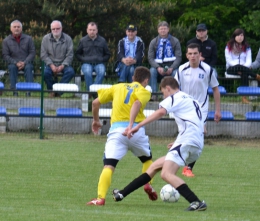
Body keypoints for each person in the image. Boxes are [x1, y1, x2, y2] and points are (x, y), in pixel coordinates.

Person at [112, 76, 207, 211]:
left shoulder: (175, 98)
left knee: (166, 174)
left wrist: (138, 126)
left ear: (167, 88)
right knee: (155, 166)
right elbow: (198, 124)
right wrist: (178, 141)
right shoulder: (192, 100)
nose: (164, 96)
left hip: (187, 140)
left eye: (163, 93)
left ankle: (196, 202)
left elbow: (161, 112)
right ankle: (121, 194)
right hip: (195, 142)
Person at [86, 66, 157, 206]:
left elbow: (95, 103)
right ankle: (147, 183)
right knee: (148, 161)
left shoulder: (117, 87)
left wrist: (96, 120)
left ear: (132, 78)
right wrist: (131, 125)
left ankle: (100, 198)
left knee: (109, 166)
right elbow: (136, 102)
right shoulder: (144, 91)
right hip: (136, 131)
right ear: (146, 80)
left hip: (117, 132)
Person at [175, 43, 221, 177]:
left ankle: (188, 168)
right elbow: (175, 89)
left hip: (201, 109)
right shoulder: (181, 69)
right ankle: (178, 162)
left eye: (195, 53)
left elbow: (216, 89)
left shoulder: (207, 70)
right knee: (186, 136)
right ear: (186, 55)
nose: (193, 56)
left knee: (198, 134)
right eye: (190, 54)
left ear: (200, 54)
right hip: (184, 108)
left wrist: (218, 110)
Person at [148, 21, 182, 99]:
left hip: (171, 66)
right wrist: (157, 67)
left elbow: (179, 57)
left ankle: (173, 95)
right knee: (152, 71)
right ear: (158, 30)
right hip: (158, 66)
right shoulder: (153, 42)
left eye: (164, 29)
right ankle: (154, 95)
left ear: (168, 29)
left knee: (175, 72)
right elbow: (150, 58)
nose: (163, 31)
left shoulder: (175, 41)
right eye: (161, 29)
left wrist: (172, 67)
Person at [225, 28, 260, 104]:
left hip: (244, 69)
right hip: (231, 68)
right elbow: (229, 60)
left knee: (245, 74)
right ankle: (256, 76)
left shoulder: (247, 46)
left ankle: (244, 98)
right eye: (238, 35)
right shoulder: (229, 46)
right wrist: (238, 66)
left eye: (241, 35)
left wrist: (243, 67)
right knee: (244, 71)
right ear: (234, 36)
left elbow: (249, 61)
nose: (240, 37)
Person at [41, 20, 75, 97]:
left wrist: (62, 65)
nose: (55, 30)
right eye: (53, 29)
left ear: (61, 28)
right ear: (51, 29)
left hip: (64, 64)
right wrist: (51, 65)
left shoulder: (68, 39)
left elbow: (70, 55)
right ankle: (51, 91)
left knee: (71, 72)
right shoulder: (45, 39)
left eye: (57, 28)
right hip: (50, 64)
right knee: (45, 73)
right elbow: (43, 55)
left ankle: (58, 92)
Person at [2, 20, 35, 96]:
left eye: (18, 27)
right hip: (13, 63)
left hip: (26, 63)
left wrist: (24, 62)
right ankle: (14, 91)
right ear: (11, 29)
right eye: (14, 27)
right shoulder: (6, 41)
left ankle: (28, 91)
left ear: (21, 28)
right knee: (12, 68)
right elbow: (5, 55)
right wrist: (15, 63)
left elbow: (32, 52)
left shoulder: (28, 39)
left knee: (29, 68)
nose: (16, 28)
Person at [75, 22, 111, 91]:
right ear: (87, 30)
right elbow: (77, 54)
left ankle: (93, 91)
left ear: (97, 30)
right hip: (86, 64)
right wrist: (83, 59)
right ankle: (91, 92)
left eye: (94, 30)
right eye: (90, 30)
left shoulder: (102, 41)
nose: (92, 31)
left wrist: (102, 59)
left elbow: (108, 54)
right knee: (87, 72)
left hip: (99, 64)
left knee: (102, 71)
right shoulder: (83, 41)